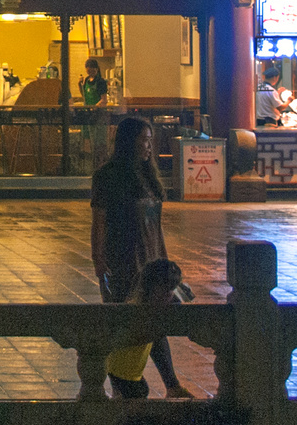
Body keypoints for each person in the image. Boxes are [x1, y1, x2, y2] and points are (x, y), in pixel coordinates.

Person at [90, 116, 191, 400]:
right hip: (123, 259)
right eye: (144, 140)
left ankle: (171, 385)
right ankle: (123, 384)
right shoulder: (108, 176)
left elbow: (155, 225)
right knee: (128, 323)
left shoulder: (148, 176)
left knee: (154, 320)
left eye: (150, 140)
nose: (149, 146)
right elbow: (99, 221)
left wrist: (164, 258)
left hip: (150, 259)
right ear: (128, 142)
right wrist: (99, 260)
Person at [105, 258, 185, 399]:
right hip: (122, 372)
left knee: (139, 393)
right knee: (137, 396)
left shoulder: (150, 304)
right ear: (150, 288)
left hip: (130, 372)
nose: (169, 295)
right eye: (165, 290)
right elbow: (134, 337)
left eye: (171, 290)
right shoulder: (136, 310)